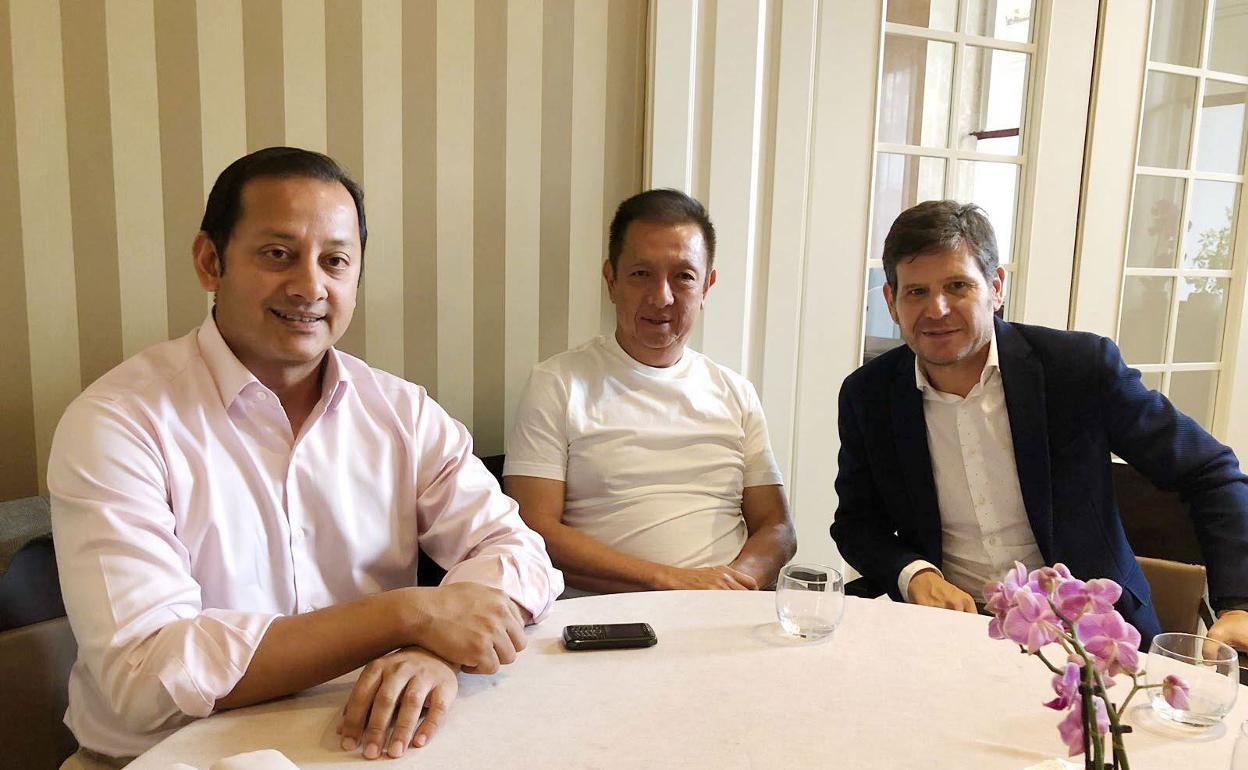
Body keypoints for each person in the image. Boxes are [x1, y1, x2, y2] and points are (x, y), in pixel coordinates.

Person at [49, 147, 563, 767]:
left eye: (335, 261)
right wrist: (409, 614)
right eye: (277, 254)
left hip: (370, 744)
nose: (309, 287)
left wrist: (433, 651)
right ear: (210, 261)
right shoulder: (118, 422)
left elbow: (518, 552)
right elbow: (146, 675)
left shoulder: (402, 412)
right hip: (169, 759)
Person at [830, 199, 1248, 648]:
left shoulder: (1078, 369)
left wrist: (1239, 604)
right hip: (948, 630)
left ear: (995, 287)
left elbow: (1210, 471)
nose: (937, 308)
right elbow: (857, 524)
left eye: (957, 285)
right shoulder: (868, 396)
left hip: (1088, 636)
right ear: (892, 303)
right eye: (916, 292)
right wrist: (915, 575)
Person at [503, 189, 796, 595]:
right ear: (611, 280)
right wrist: (671, 580)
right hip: (610, 615)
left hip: (725, 608)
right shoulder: (558, 383)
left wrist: (733, 585)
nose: (662, 297)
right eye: (641, 274)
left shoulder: (735, 392)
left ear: (706, 287)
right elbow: (533, 528)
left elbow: (777, 527)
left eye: (683, 276)